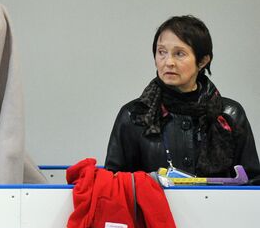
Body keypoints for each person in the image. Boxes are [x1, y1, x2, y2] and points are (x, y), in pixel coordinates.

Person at [105, 15, 260, 180]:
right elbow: (114, 184)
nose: (168, 62)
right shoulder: (135, 114)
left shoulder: (230, 114)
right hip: (155, 206)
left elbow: (253, 182)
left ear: (202, 61)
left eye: (179, 53)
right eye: (162, 52)